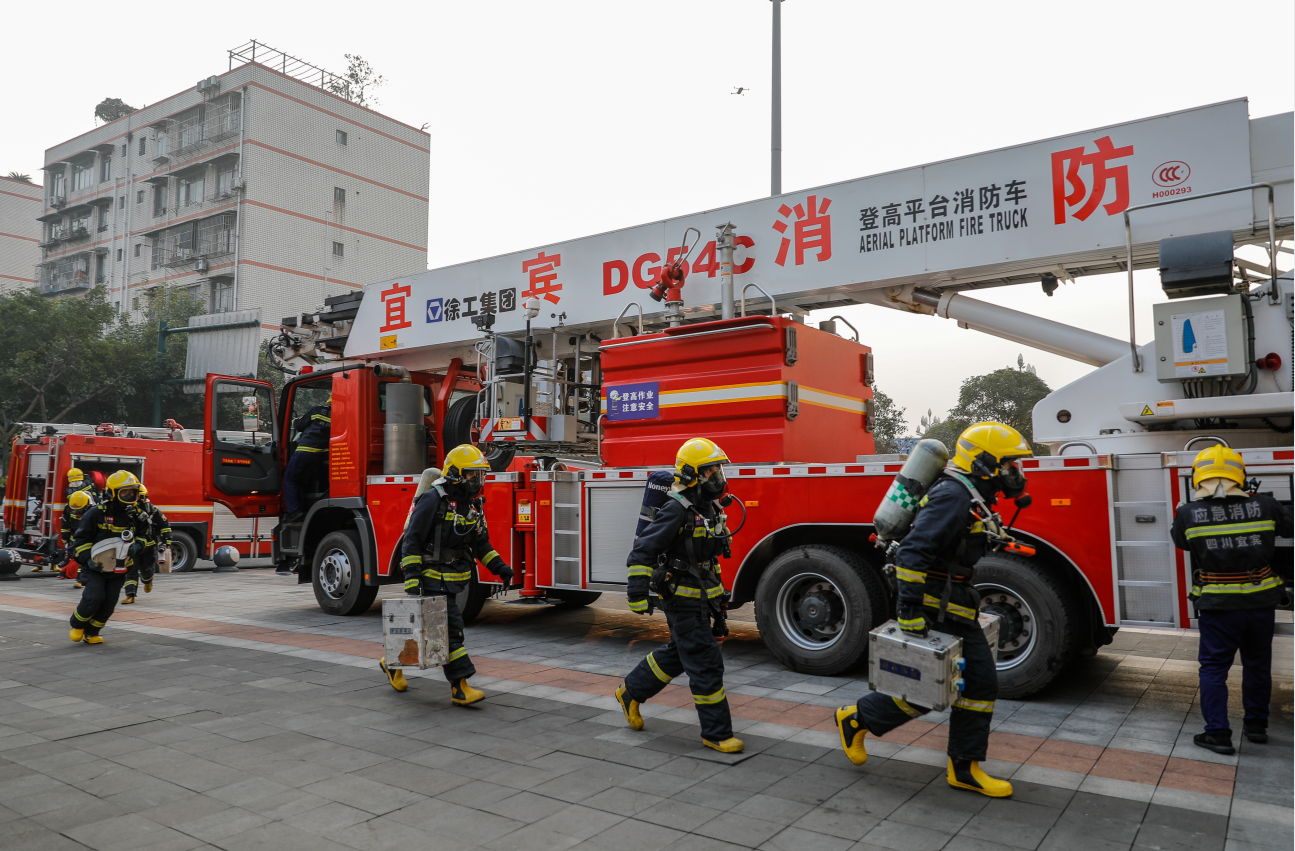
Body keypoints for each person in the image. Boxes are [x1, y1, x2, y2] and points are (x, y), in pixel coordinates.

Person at [836, 422, 1032, 797]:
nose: (1016, 473)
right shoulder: (953, 496)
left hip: (954, 601)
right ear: (984, 462)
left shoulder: (970, 495)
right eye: (1010, 465)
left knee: (973, 684)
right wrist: (908, 611)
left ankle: (962, 767)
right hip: (935, 604)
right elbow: (912, 553)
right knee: (935, 686)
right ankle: (857, 718)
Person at [614, 437, 743, 754]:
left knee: (679, 653)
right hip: (680, 599)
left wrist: (720, 598)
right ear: (691, 475)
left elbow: (708, 562)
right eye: (710, 471)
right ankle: (716, 733)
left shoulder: (709, 509)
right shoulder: (676, 510)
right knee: (705, 662)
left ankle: (631, 691)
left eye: (718, 471)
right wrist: (637, 594)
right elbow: (642, 551)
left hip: (702, 599)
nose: (717, 477)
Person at [1171, 445, 1292, 755]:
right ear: (1241, 476)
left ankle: (1218, 734)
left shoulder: (1187, 513)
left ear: (1199, 477)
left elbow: (1181, 542)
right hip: (1260, 603)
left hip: (1218, 606)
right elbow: (1289, 526)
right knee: (1257, 665)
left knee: (1213, 669)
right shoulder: (1266, 505)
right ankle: (1256, 726)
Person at [379, 445, 513, 704]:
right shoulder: (433, 499)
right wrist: (412, 578)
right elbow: (412, 540)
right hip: (431, 578)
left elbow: (480, 544)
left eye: (480, 475)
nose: (478, 480)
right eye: (472, 474)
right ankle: (459, 687)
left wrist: (501, 569)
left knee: (425, 629)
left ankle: (391, 662)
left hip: (452, 580)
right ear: (455, 474)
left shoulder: (471, 506)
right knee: (451, 631)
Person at [69, 471, 144, 644]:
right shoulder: (96, 514)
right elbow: (80, 540)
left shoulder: (137, 516)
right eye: (124, 492)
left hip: (119, 568)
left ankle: (92, 632)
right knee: (94, 597)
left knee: (109, 602)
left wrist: (138, 547)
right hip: (95, 566)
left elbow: (146, 537)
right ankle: (78, 625)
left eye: (132, 492)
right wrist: (88, 560)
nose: (129, 496)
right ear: (112, 493)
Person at [283, 396, 331, 521]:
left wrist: (294, 420)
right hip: (320, 454)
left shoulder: (317, 410)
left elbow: (300, 425)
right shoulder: (340, 415)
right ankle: (300, 510)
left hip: (305, 450)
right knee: (300, 482)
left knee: (289, 480)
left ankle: (294, 511)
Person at [122, 486, 170, 605]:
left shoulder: (152, 510)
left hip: (148, 546)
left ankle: (148, 581)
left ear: (143, 497)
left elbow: (164, 524)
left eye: (136, 496)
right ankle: (130, 595)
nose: (132, 498)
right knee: (131, 570)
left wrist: (167, 541)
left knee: (147, 569)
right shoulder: (127, 509)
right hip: (132, 546)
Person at [55, 490, 94, 581]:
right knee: (73, 556)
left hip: (88, 539)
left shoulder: (93, 511)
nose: (76, 513)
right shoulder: (68, 509)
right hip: (75, 537)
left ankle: (80, 578)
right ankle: (66, 572)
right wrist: (65, 539)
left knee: (83, 557)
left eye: (79, 510)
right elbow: (65, 525)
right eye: (73, 510)